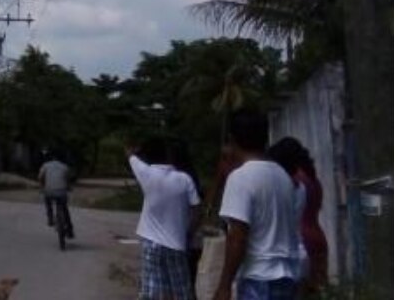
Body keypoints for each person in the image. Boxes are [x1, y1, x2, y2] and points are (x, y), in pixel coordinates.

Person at [212, 109, 301, 300]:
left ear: (232, 139)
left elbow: (237, 237)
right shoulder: (282, 176)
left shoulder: (240, 178)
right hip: (288, 277)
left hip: (259, 278)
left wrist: (224, 286)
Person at [128, 137, 202, 300]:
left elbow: (130, 155)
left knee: (152, 292)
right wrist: (188, 233)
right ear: (167, 155)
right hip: (176, 244)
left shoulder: (145, 173)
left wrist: (136, 152)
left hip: (151, 244)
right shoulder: (184, 179)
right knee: (182, 292)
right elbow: (197, 210)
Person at [267, 137, 328, 293]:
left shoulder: (294, 180)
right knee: (318, 293)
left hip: (302, 242)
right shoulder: (313, 178)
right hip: (318, 237)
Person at [170, 139, 206, 295]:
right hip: (193, 240)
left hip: (180, 238)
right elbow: (198, 208)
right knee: (189, 282)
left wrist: (187, 233)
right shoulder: (192, 176)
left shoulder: (176, 178)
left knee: (176, 285)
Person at [37, 149, 72, 236]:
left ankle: (50, 218)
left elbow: (40, 177)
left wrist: (42, 187)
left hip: (49, 191)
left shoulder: (45, 165)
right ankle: (70, 229)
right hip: (61, 192)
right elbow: (68, 179)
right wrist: (68, 187)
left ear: (51, 158)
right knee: (64, 208)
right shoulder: (64, 166)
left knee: (48, 201)